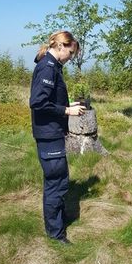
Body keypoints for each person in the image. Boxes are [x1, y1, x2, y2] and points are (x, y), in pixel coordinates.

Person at [30, 31, 85, 244]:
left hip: (52, 133)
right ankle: (56, 234)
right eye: (70, 53)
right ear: (62, 46)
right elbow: (38, 102)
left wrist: (67, 106)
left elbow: (49, 99)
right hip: (48, 134)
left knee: (59, 179)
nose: (70, 58)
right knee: (56, 182)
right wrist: (66, 112)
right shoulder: (47, 67)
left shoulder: (53, 66)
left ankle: (59, 219)